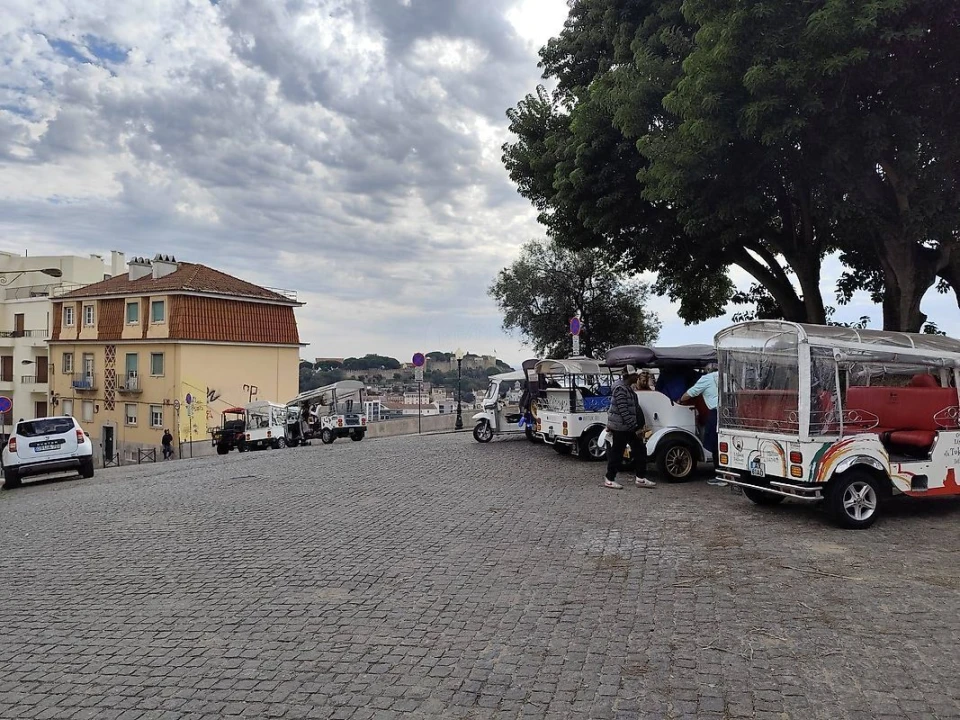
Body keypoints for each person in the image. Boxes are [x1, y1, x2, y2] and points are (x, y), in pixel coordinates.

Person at [604, 365, 656, 490]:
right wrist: (635, 427)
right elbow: (624, 411)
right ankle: (610, 479)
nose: (637, 377)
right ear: (629, 376)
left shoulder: (627, 388)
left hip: (626, 427)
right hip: (621, 427)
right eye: (635, 375)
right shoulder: (621, 389)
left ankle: (640, 477)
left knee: (640, 450)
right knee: (617, 453)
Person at [681, 365, 725, 486]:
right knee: (725, 442)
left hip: (716, 412)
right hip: (729, 411)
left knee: (715, 444)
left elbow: (690, 393)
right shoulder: (725, 376)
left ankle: (721, 475)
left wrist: (680, 400)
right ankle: (728, 473)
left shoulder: (706, 379)